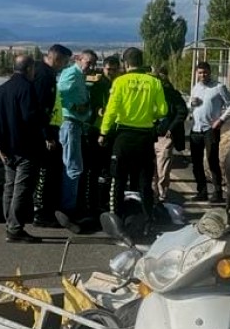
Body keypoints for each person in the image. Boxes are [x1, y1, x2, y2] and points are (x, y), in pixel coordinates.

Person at [0, 55, 49, 243]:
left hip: (6, 148)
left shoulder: (1, 90)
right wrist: (44, 135)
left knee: (10, 186)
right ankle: (15, 228)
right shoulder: (27, 89)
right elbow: (31, 118)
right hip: (25, 147)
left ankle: (10, 223)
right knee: (22, 188)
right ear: (29, 69)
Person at [100, 47, 168, 223]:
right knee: (145, 181)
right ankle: (148, 219)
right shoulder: (154, 82)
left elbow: (111, 110)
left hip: (124, 135)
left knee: (118, 179)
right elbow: (163, 110)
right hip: (145, 137)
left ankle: (116, 218)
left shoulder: (120, 82)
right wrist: (148, 115)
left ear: (125, 63)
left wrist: (104, 132)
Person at [31, 44, 72, 227]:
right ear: (56, 58)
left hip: (50, 129)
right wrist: (47, 135)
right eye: (63, 62)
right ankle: (40, 212)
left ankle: (45, 210)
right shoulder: (43, 75)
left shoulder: (47, 73)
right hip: (44, 133)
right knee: (45, 173)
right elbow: (40, 107)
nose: (64, 66)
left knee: (50, 172)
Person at [187, 60, 230, 204]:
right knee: (196, 163)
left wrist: (220, 120)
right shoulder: (195, 87)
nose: (203, 75)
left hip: (210, 129)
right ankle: (201, 191)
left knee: (212, 160)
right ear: (197, 74)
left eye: (205, 72)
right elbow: (190, 104)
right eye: (200, 73)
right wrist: (191, 104)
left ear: (210, 72)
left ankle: (217, 192)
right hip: (196, 128)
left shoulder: (218, 87)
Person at [55, 49, 96, 221]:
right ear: (79, 59)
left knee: (73, 165)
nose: (91, 67)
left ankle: (70, 204)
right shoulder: (71, 73)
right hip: (70, 123)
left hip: (76, 123)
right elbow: (60, 93)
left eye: (93, 64)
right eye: (88, 63)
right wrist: (73, 106)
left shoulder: (79, 75)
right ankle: (69, 208)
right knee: (72, 165)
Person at [81, 54, 119, 214]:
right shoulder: (98, 85)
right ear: (103, 68)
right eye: (108, 69)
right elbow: (94, 103)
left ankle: (106, 202)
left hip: (114, 131)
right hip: (97, 130)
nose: (111, 72)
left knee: (110, 171)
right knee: (94, 170)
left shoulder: (119, 84)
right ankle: (92, 203)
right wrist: (98, 110)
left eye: (114, 70)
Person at [151, 65, 189, 203]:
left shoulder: (172, 94)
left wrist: (171, 129)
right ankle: (152, 193)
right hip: (149, 135)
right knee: (150, 169)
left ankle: (161, 194)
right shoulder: (149, 94)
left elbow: (182, 112)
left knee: (162, 168)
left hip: (165, 137)